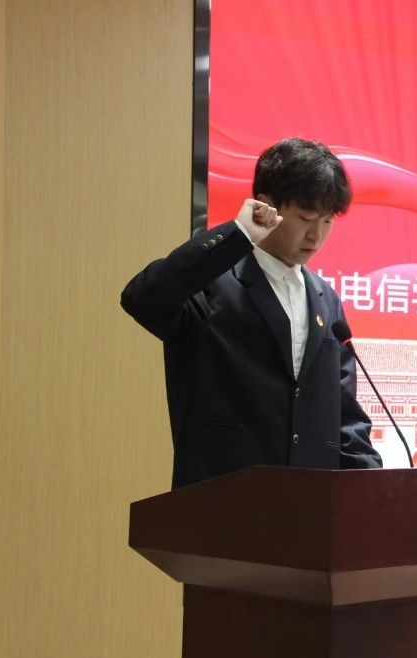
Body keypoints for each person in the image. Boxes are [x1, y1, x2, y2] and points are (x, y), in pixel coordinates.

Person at [121, 138, 382, 488]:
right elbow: (142, 298)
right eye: (306, 218)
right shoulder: (212, 283)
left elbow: (345, 415)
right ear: (266, 205)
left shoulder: (326, 300)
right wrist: (238, 234)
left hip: (310, 505)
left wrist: (373, 489)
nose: (316, 235)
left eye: (327, 220)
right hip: (224, 499)